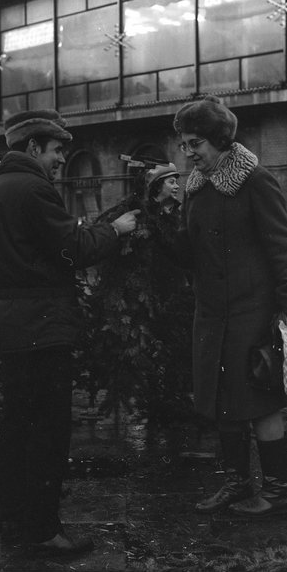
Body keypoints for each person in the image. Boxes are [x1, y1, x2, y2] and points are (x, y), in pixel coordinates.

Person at [0, 109, 139, 554]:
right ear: (33, 148)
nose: (62, 159)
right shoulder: (33, 189)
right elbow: (75, 247)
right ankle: (44, 531)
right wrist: (115, 230)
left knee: (17, 432)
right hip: (43, 323)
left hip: (12, 321)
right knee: (46, 432)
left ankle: (16, 528)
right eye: (57, 149)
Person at [168, 95, 287, 517]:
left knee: (259, 402)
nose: (189, 154)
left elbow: (285, 246)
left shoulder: (255, 180)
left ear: (220, 140)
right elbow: (191, 252)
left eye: (196, 144)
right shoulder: (197, 187)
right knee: (221, 402)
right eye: (184, 145)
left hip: (253, 312)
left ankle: (279, 492)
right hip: (212, 314)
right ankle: (236, 483)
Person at [79, 162, 193, 419]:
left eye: (177, 181)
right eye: (171, 181)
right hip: (144, 293)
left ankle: (169, 403)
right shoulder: (140, 213)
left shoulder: (176, 213)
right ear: (156, 186)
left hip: (172, 290)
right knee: (147, 352)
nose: (177, 186)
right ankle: (151, 403)